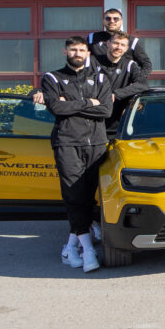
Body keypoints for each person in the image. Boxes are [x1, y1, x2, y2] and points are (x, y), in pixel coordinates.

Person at [41, 36, 113, 273]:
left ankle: (71, 248)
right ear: (65, 52)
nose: (78, 53)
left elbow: (106, 110)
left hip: (96, 144)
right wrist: (89, 102)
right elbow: (56, 108)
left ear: (88, 53)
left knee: (87, 197)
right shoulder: (52, 78)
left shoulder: (101, 77)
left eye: (82, 50)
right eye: (73, 49)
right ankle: (88, 250)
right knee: (74, 195)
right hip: (67, 143)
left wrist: (72, 104)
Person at [94, 30, 148, 134]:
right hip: (94, 125)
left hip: (118, 127)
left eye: (122, 45)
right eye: (115, 43)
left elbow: (142, 84)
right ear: (108, 43)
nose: (119, 47)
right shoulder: (93, 62)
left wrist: (116, 94)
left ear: (126, 48)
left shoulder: (130, 65)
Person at [88, 8, 152, 79]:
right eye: (108, 18)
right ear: (103, 21)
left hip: (121, 83)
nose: (112, 21)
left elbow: (146, 64)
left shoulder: (132, 41)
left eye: (116, 19)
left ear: (121, 22)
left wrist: (137, 80)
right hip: (98, 83)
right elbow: (83, 61)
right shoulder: (92, 38)